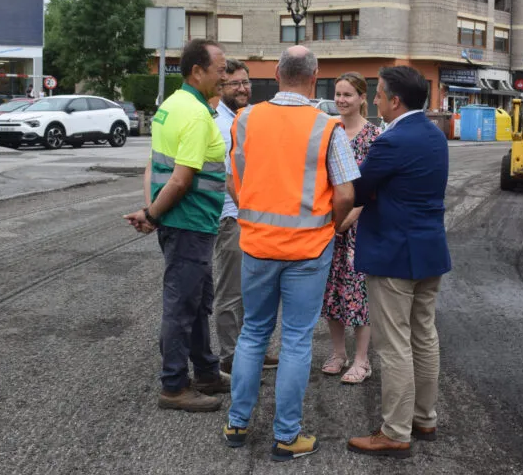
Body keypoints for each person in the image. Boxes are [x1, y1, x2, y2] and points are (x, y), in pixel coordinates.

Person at [222, 46, 360, 462]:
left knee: (253, 333)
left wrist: (253, 216)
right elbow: (346, 193)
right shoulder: (328, 127)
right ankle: (286, 436)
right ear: (314, 77)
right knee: (297, 340)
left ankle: (237, 423)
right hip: (308, 250)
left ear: (277, 74)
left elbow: (233, 180)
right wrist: (332, 226)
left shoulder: (246, 119)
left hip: (257, 246)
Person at [347, 66, 451, 459]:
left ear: (395, 101)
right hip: (429, 250)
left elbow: (359, 189)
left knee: (393, 345)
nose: (374, 100)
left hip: (393, 254)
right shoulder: (434, 134)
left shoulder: (391, 140)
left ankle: (394, 432)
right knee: (423, 336)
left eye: (377, 93)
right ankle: (424, 417)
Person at [123, 38, 230, 412]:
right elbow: (182, 179)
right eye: (220, 70)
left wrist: (152, 211)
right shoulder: (197, 115)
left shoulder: (170, 106)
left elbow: (153, 166)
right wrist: (153, 215)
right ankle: (174, 386)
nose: (224, 76)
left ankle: (206, 372)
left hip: (182, 222)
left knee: (197, 302)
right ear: (197, 71)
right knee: (182, 306)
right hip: (190, 223)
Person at [213, 59, 279, 374]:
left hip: (252, 217)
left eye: (245, 82)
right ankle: (230, 358)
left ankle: (251, 352)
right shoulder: (221, 125)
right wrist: (249, 213)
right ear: (220, 88)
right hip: (234, 218)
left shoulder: (248, 117)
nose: (242, 89)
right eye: (234, 84)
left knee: (253, 290)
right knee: (231, 292)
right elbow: (229, 180)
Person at [321, 72, 381, 384]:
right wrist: (333, 222)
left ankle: (361, 359)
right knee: (331, 291)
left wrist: (347, 220)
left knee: (359, 293)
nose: (341, 100)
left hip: (358, 226)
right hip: (330, 223)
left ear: (361, 98)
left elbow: (371, 188)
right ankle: (337, 353)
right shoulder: (329, 130)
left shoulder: (373, 136)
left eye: (348, 94)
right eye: (338, 94)